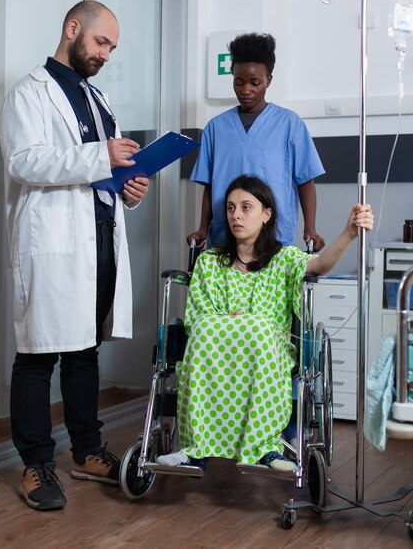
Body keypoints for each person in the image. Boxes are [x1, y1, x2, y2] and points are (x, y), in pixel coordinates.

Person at [0, 0, 150, 510]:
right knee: (38, 356)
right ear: (72, 30)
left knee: (85, 350)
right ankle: (36, 463)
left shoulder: (97, 98)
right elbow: (23, 162)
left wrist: (126, 185)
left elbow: (99, 171)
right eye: (102, 42)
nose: (106, 54)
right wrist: (100, 156)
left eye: (112, 47)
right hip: (53, 245)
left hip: (99, 239)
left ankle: (86, 451)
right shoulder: (29, 92)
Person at [158, 175, 373, 471]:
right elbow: (200, 319)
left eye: (246, 207)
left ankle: (267, 448)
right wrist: (232, 326)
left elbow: (320, 265)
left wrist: (349, 233)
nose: (236, 215)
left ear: (266, 214)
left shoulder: (284, 259)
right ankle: (195, 449)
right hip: (215, 353)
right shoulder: (209, 262)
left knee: (258, 328)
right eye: (231, 208)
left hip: (266, 352)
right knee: (208, 330)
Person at [188, 32, 326, 252]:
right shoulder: (215, 128)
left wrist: (310, 228)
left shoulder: (290, 124)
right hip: (227, 236)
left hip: (274, 236)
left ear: (268, 80)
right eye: (239, 82)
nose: (246, 90)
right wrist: (203, 228)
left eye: (255, 83)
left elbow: (305, 181)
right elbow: (209, 185)